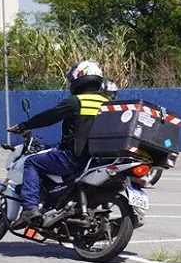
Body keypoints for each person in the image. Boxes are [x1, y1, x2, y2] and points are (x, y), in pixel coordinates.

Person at [7, 60, 118, 227]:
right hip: (98, 159)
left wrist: (23, 126)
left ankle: (29, 208)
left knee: (32, 162)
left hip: (73, 157)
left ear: (79, 78)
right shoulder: (108, 103)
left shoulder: (76, 101)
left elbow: (50, 116)